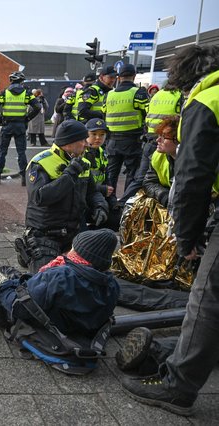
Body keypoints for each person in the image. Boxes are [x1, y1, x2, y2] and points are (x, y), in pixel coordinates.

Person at [120, 45, 219, 417]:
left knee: (206, 302)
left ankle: (177, 388)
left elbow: (194, 177)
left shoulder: (208, 100)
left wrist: (188, 238)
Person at [0, 229, 120, 343]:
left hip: (26, 320)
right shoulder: (110, 284)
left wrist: (6, 286)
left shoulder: (61, 276)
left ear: (81, 254)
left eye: (75, 248)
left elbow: (19, 307)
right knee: (5, 269)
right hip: (67, 323)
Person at [16, 120, 108, 273]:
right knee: (46, 281)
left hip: (75, 232)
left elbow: (93, 192)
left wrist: (100, 205)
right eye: (82, 140)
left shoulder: (83, 162)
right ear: (68, 143)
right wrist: (70, 173)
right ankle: (30, 252)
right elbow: (40, 198)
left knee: (95, 274)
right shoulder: (41, 162)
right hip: (46, 235)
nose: (87, 144)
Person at [117, 82, 183, 204]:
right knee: (139, 178)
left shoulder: (157, 95)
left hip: (149, 138)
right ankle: (123, 205)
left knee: (137, 178)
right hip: (161, 139)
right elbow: (148, 182)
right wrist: (166, 198)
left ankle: (121, 205)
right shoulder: (179, 96)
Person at [103, 64, 149, 197]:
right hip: (132, 141)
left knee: (111, 174)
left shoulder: (109, 95)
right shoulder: (138, 93)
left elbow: (104, 114)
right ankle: (125, 204)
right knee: (132, 173)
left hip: (112, 142)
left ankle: (109, 203)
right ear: (134, 76)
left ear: (119, 77)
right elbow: (147, 113)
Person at [0, 71, 40, 186]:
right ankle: (23, 178)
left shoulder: (4, 93)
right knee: (21, 152)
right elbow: (37, 107)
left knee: (2, 152)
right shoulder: (26, 93)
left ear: (11, 81)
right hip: (20, 126)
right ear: (21, 82)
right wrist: (27, 118)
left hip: (7, 125)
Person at [83, 118, 120, 230]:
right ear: (86, 135)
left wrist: (113, 202)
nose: (98, 138)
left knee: (116, 220)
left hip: (98, 197)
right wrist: (102, 189)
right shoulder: (81, 153)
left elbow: (107, 180)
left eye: (102, 135)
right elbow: (79, 185)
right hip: (84, 199)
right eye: (93, 134)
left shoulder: (102, 152)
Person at [142, 115, 180, 207]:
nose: (158, 140)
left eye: (164, 137)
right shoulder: (158, 156)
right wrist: (165, 197)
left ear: (178, 139)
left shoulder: (195, 162)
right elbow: (149, 182)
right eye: (159, 135)